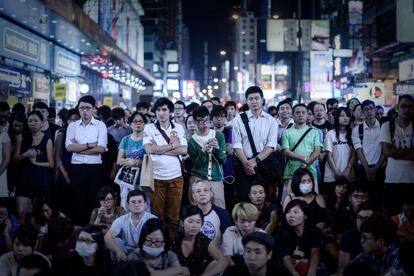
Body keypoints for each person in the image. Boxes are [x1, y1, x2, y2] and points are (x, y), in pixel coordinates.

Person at [143, 97, 187, 235]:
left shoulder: (178, 128)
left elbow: (184, 150)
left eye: (164, 110)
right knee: (158, 214)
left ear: (170, 112)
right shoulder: (149, 127)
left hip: (176, 177)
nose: (161, 113)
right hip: (156, 177)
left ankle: (172, 243)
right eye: (158, 110)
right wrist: (172, 146)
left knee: (174, 215)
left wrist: (159, 149)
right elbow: (148, 149)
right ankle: (159, 240)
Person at [65, 95, 107, 225]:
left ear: (93, 109)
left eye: (87, 108)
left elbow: (101, 148)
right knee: (77, 200)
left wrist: (79, 148)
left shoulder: (100, 125)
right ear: (78, 109)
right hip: (76, 167)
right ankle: (78, 230)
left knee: (93, 200)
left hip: (94, 168)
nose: (84, 111)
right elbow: (69, 147)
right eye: (82, 108)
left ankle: (92, 228)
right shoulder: (72, 126)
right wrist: (90, 144)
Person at [232, 86, 278, 202]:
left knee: (263, 199)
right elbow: (237, 144)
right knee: (243, 198)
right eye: (250, 99)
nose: (254, 101)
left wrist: (255, 161)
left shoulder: (271, 120)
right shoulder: (239, 119)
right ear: (247, 101)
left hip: (263, 165)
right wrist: (247, 164)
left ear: (262, 99)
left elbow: (271, 145)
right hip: (244, 165)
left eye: (256, 98)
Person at [13, 111, 54, 223]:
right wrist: (25, 154)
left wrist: (36, 163)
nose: (33, 123)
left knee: (36, 215)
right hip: (24, 179)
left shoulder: (47, 139)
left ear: (41, 123)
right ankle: (20, 238)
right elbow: (15, 158)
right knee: (21, 212)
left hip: (41, 180)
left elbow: (51, 164)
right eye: (30, 121)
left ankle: (35, 239)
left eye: (36, 121)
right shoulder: (22, 137)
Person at [170, 205, 228, 276]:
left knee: (215, 262)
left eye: (198, 222)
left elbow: (223, 261)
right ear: (182, 223)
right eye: (190, 222)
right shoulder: (174, 241)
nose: (194, 225)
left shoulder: (203, 239)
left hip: (200, 273)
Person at [380, 94, 414, 215]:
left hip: (411, 180)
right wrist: (410, 152)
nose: (406, 109)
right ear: (397, 108)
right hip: (392, 179)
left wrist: (396, 153)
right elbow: (388, 152)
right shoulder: (387, 126)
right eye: (403, 106)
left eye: (410, 107)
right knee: (391, 215)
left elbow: (392, 152)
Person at [281, 104, 322, 202]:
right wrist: (303, 158)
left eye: (303, 112)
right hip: (291, 173)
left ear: (307, 115)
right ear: (293, 115)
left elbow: (317, 150)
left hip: (310, 173)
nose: (301, 115)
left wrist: (308, 162)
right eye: (297, 113)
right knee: (289, 202)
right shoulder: (287, 132)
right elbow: (285, 151)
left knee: (312, 202)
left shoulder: (314, 132)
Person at [188, 106, 227, 208]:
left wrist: (218, 149)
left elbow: (223, 160)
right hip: (198, 178)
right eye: (200, 121)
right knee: (198, 210)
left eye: (206, 120)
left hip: (216, 179)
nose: (204, 123)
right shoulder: (192, 141)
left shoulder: (219, 136)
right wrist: (203, 151)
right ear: (195, 122)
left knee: (220, 208)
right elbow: (197, 165)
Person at [352, 99, 386, 210]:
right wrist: (367, 169)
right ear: (362, 112)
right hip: (363, 169)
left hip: (381, 168)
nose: (369, 111)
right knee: (364, 199)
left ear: (375, 109)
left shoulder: (384, 127)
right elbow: (358, 150)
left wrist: (375, 168)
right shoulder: (357, 129)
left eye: (371, 108)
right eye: (366, 109)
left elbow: (386, 150)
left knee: (380, 199)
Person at [104, 190, 156, 261]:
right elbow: (107, 237)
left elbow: (155, 242)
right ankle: (118, 268)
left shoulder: (153, 219)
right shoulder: (121, 219)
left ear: (145, 204)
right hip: (126, 250)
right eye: (133, 202)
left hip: (144, 250)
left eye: (140, 201)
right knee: (116, 241)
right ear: (128, 205)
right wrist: (118, 251)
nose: (137, 205)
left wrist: (135, 253)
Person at [276, 199, 323, 276]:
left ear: (305, 216)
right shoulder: (282, 231)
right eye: (288, 212)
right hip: (289, 269)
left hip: (311, 267)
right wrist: (295, 273)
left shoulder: (314, 231)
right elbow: (285, 257)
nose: (290, 215)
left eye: (295, 212)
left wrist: (311, 272)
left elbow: (315, 252)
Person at [323, 107, 355, 201]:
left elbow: (354, 154)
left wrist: (348, 169)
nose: (346, 118)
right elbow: (328, 155)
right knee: (331, 203)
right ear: (337, 117)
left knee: (346, 203)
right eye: (342, 115)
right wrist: (336, 173)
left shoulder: (352, 133)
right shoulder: (330, 134)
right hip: (331, 175)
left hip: (348, 174)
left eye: (348, 116)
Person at [117, 112, 147, 207]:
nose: (137, 124)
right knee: (126, 205)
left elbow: (149, 162)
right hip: (127, 178)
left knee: (143, 205)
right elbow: (119, 160)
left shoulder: (148, 140)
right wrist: (130, 162)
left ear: (144, 124)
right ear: (130, 124)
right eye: (135, 121)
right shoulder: (125, 139)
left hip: (143, 179)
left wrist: (135, 162)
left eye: (140, 121)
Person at [223, 232, 289, 276]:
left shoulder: (281, 272)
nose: (252, 257)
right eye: (248, 251)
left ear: (269, 254)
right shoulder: (233, 272)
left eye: (258, 252)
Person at [336, 202, 375, 276]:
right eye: (360, 217)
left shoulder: (380, 236)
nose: (362, 222)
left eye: (367, 218)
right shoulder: (348, 235)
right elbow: (342, 270)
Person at [54, 108, 80, 218]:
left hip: (80, 174)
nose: (73, 122)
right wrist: (66, 175)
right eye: (70, 119)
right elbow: (58, 158)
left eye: (76, 119)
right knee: (64, 205)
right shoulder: (61, 135)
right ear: (66, 121)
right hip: (64, 173)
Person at [191, 180, 232, 247]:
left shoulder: (222, 214)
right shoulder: (188, 214)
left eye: (206, 190)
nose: (202, 193)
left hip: (218, 255)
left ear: (211, 194)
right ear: (194, 196)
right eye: (198, 191)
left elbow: (228, 242)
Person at [223, 202, 263, 266]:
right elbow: (227, 256)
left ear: (255, 221)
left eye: (250, 221)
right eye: (242, 222)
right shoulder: (230, 231)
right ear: (236, 221)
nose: (246, 225)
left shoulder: (262, 234)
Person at [0, 103, 11, 198]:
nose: (3, 118)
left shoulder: (12, 127)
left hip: (8, 170)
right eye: (1, 116)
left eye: (5, 116)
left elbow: (6, 159)